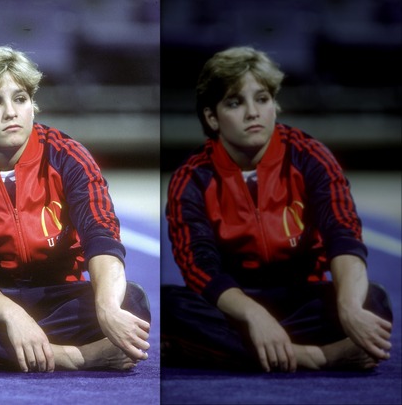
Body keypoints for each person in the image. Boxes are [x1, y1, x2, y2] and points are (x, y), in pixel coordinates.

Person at [0, 46, 151, 372]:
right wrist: (13, 315)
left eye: (20, 99)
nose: (11, 112)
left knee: (132, 300)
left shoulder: (68, 156)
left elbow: (101, 233)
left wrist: (105, 307)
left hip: (60, 299)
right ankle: (73, 356)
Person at [161, 46, 393, 372]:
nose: (253, 112)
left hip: (300, 298)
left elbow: (343, 235)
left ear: (275, 105)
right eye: (235, 102)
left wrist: (349, 308)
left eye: (263, 99)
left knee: (374, 301)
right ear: (212, 117)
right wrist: (256, 315)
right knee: (170, 307)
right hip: (234, 307)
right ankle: (313, 356)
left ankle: (248, 353)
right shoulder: (191, 179)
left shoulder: (311, 157)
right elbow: (200, 268)